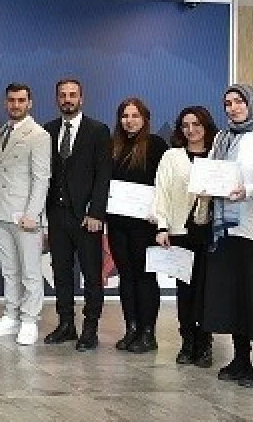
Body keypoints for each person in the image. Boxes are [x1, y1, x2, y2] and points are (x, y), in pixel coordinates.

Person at [203, 84, 253, 388]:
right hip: (226, 230)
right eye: (228, 103)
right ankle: (240, 358)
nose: (233, 108)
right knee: (234, 297)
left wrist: (248, 191)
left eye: (239, 101)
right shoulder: (222, 137)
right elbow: (212, 172)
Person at [42, 78, 112, 351]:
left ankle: (90, 328)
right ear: (57, 99)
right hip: (57, 216)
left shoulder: (98, 131)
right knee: (61, 272)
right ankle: (66, 324)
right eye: (63, 95)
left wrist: (96, 213)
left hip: (86, 218)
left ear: (81, 99)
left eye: (72, 95)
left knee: (92, 275)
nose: (67, 100)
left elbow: (103, 175)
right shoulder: (48, 130)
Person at [153, 106, 218, 367]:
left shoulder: (217, 155)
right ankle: (187, 341)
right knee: (186, 291)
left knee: (208, 290)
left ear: (206, 126)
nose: (191, 130)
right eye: (186, 125)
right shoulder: (172, 156)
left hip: (211, 233)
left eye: (196, 124)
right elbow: (162, 191)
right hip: (181, 231)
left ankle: (205, 343)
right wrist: (162, 226)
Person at [0, 83, 52, 346]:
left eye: (21, 100)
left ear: (30, 103)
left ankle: (29, 319)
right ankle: (11, 314)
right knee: (9, 270)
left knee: (31, 271)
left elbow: (41, 178)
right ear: (6, 102)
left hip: (25, 215)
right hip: (0, 212)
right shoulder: (1, 130)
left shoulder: (38, 135)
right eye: (12, 100)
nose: (16, 105)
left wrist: (33, 213)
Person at [106, 97, 169, 354]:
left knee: (145, 277)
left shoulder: (156, 146)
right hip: (118, 223)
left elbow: (164, 185)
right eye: (125, 116)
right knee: (126, 276)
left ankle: (148, 333)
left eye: (135, 116)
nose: (129, 121)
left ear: (145, 119)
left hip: (145, 225)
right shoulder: (113, 146)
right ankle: (131, 328)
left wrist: (161, 221)